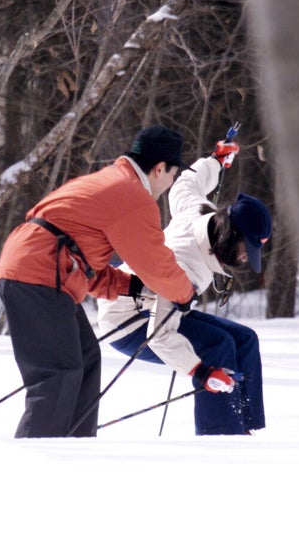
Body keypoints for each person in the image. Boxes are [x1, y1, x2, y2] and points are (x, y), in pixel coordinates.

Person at [0, 125, 197, 438]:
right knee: (59, 375)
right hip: (39, 273)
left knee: (86, 359)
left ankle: (76, 448)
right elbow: (157, 264)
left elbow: (83, 261)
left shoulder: (111, 182)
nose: (172, 183)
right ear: (160, 168)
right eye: (174, 174)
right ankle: (37, 462)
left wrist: (131, 287)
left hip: (39, 267)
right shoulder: (133, 197)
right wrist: (184, 293)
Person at [96, 139, 272, 435]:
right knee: (218, 347)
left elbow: (185, 183)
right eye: (245, 249)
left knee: (245, 340)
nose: (244, 258)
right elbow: (159, 337)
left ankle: (243, 425)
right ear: (230, 234)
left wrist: (215, 161)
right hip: (129, 321)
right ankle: (220, 435)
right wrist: (203, 372)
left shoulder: (201, 213)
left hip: (161, 306)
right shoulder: (185, 267)